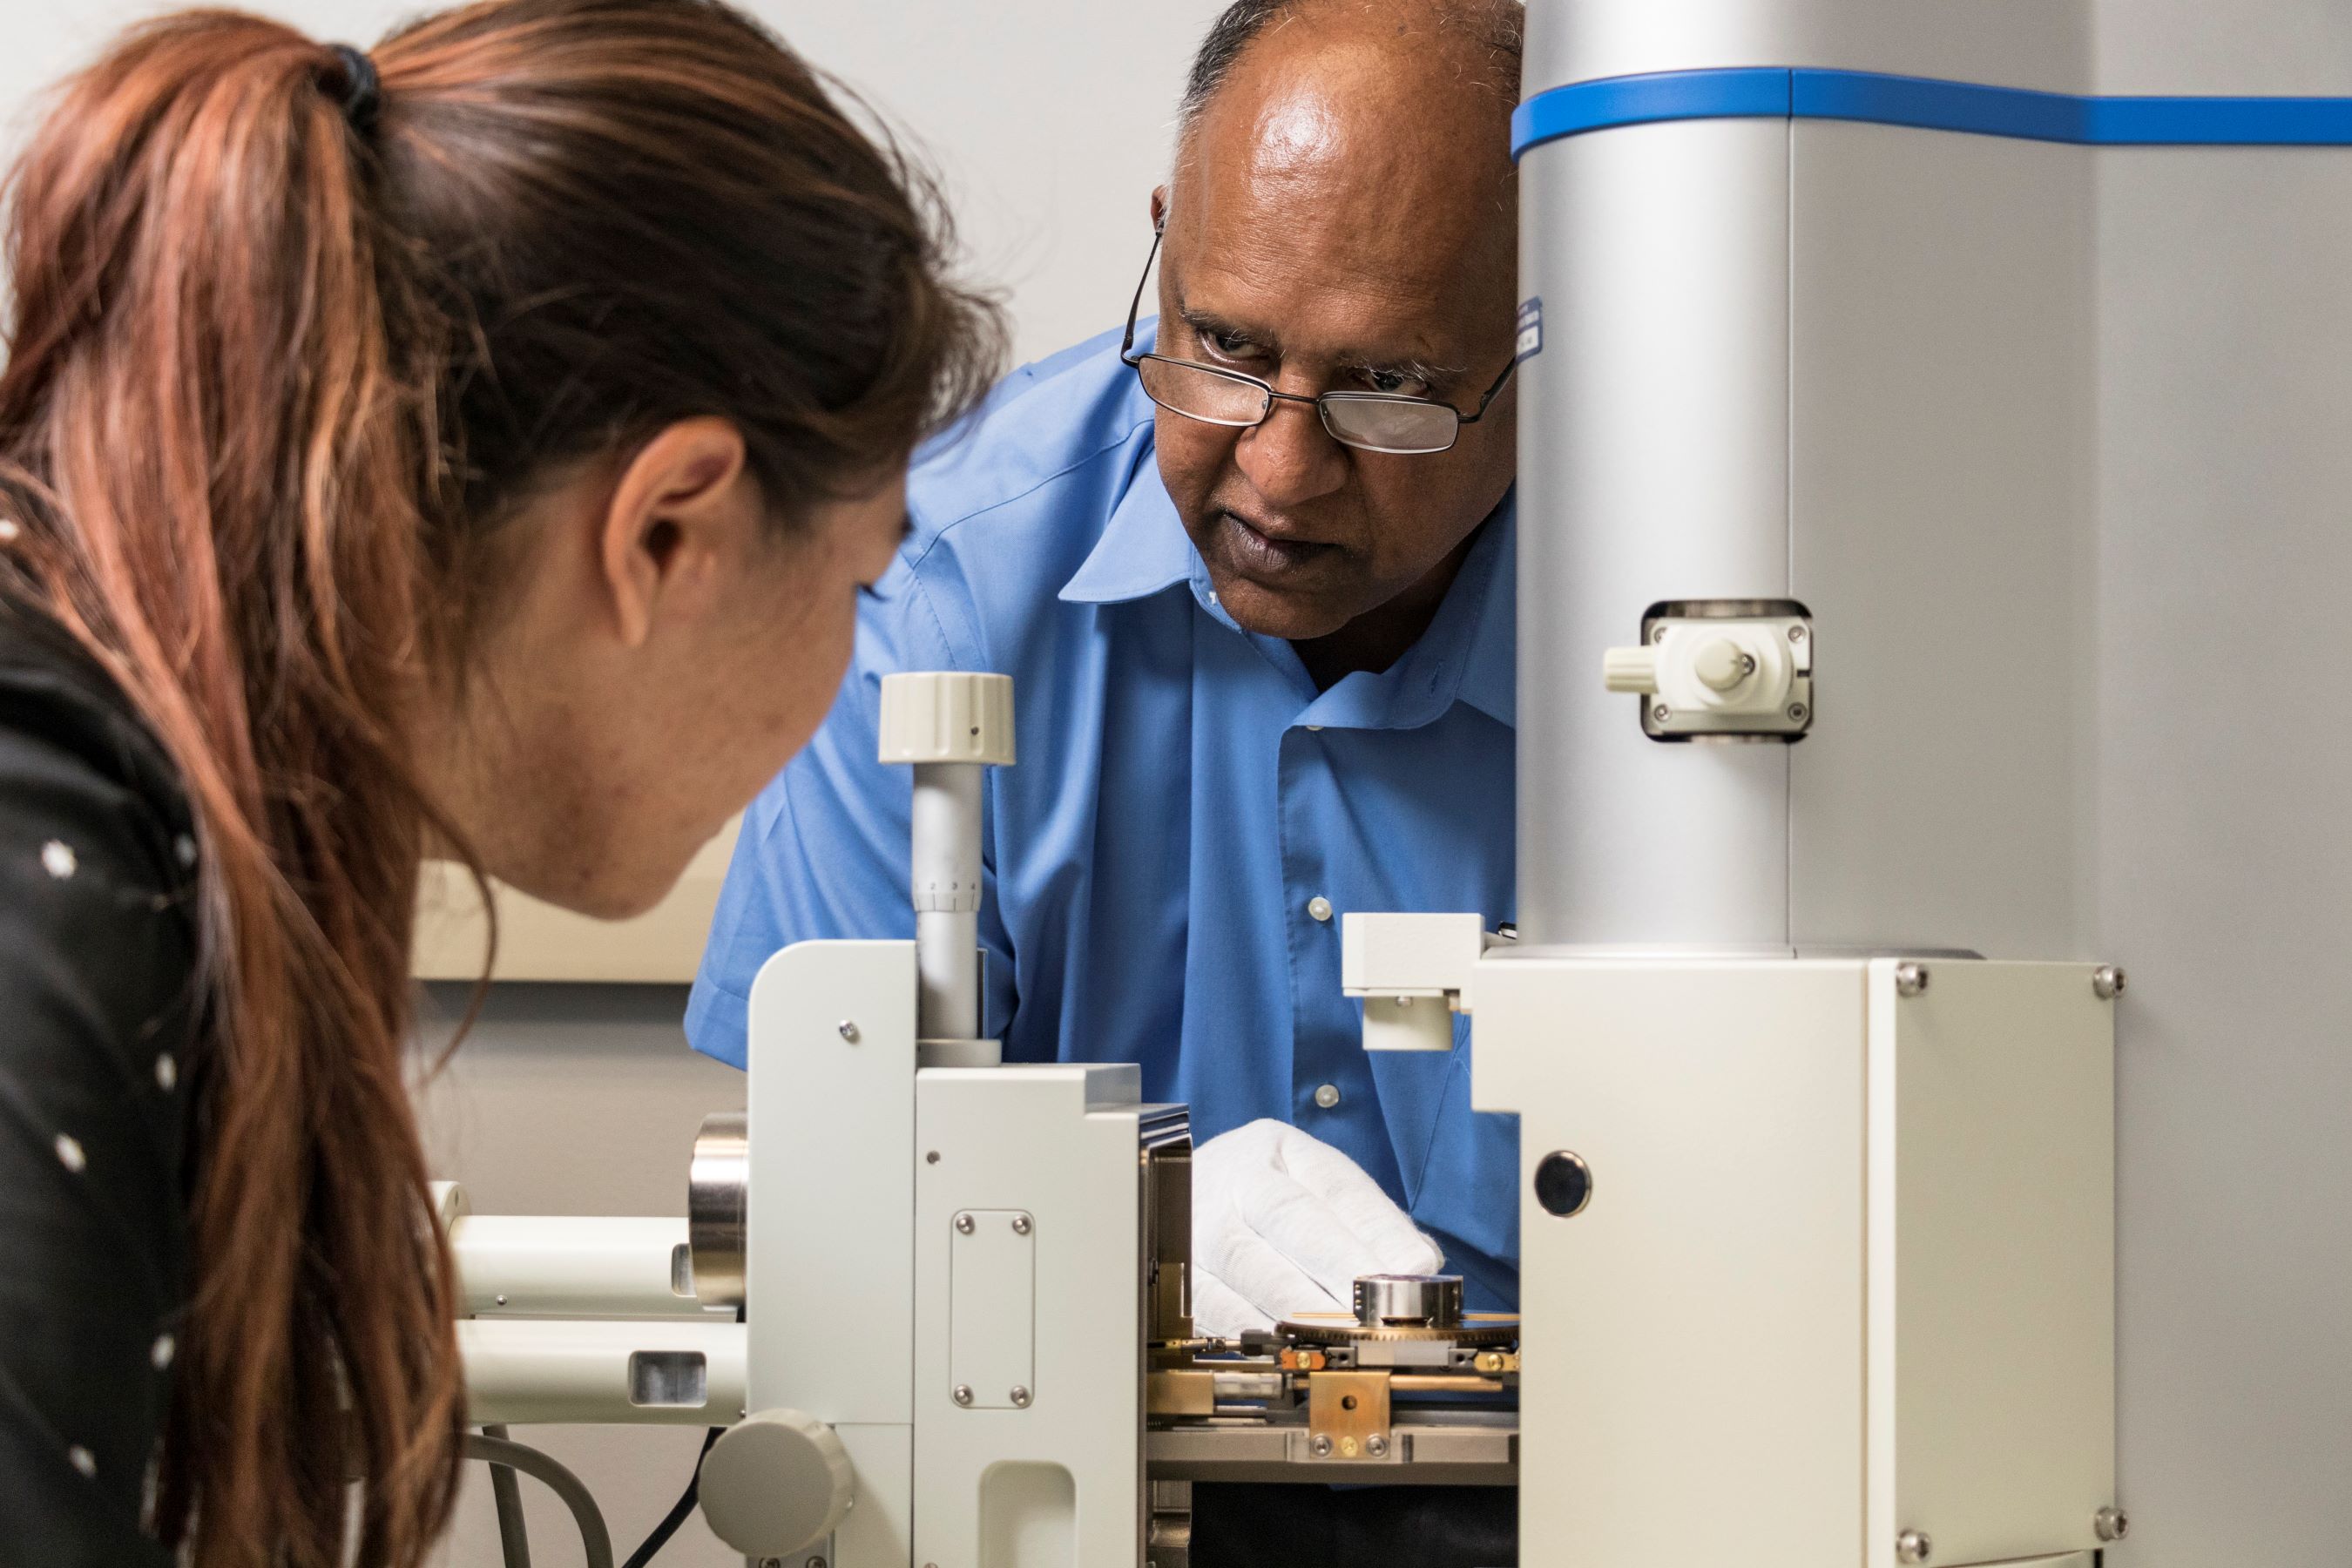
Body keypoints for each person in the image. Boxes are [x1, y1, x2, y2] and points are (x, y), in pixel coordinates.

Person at [0, 3, 998, 1565]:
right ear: (668, 528)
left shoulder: (139, 800)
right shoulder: (54, 867)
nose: (843, 672)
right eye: (863, 588)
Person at [693, 0, 1524, 1328]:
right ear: (1165, 244)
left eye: (1387, 386)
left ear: (1543, 337)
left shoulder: (1697, 617)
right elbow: (819, 1220)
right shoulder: (934, 587)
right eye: (1227, 348)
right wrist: (1107, 1223)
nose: (1278, 473)